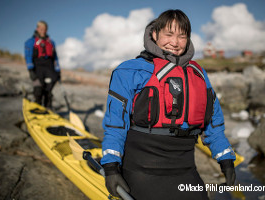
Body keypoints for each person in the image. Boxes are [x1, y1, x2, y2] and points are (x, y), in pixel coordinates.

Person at [101, 9, 236, 200]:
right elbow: (115, 125)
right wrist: (111, 168)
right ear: (155, 34)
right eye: (169, 34)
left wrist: (226, 159)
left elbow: (214, 123)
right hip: (142, 169)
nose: (175, 42)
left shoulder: (198, 73)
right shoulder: (129, 71)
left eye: (182, 36)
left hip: (185, 168)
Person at [24, 21, 61, 108]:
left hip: (49, 67)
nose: (43, 31)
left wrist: (58, 71)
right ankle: (37, 108)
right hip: (37, 67)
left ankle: (48, 109)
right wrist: (30, 70)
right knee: (38, 90)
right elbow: (28, 56)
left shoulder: (51, 42)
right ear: (37, 29)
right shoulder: (31, 42)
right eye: (41, 29)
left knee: (48, 91)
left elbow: (55, 58)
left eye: (44, 29)